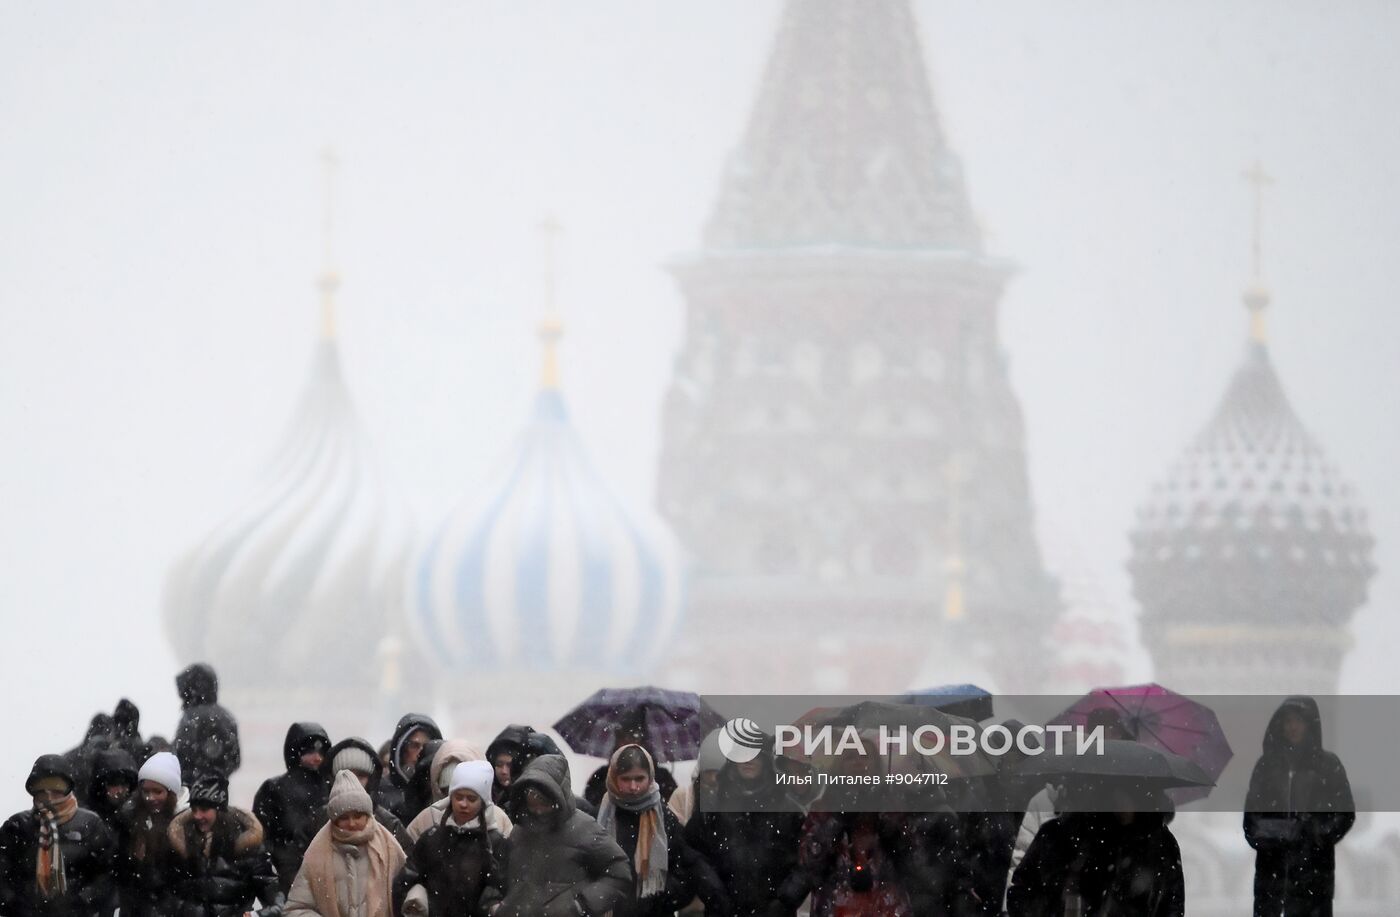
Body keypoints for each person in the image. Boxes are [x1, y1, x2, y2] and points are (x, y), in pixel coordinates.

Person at [1244, 696, 1355, 917]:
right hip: (1271, 875)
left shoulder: (1327, 766)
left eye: (1298, 721)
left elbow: (1344, 813)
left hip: (1313, 874)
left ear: (1309, 725)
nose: (1292, 727)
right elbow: (1251, 822)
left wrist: (1315, 833)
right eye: (1287, 721)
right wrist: (1281, 831)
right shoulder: (1266, 766)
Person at [1007, 783, 1183, 917]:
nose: (1121, 801)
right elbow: (1022, 890)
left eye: (1130, 793)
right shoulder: (1065, 834)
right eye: (1116, 791)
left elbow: (1172, 904)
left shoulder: (1160, 844)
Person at [596, 745, 727, 917]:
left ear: (650, 778)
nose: (633, 786)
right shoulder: (599, 817)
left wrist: (658, 896)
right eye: (626, 779)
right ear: (614, 778)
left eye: (639, 778)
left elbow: (686, 866)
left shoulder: (663, 818)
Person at [684, 735, 806, 917]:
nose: (748, 760)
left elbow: (807, 861)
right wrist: (715, 894)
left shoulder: (788, 809)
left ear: (765, 759)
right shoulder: (712, 806)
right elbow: (692, 854)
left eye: (755, 754)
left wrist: (786, 900)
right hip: (723, 911)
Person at [494, 755, 630, 917]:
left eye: (543, 802)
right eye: (532, 801)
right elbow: (497, 877)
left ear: (557, 796)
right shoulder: (520, 830)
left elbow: (619, 872)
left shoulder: (584, 828)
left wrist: (581, 905)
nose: (537, 810)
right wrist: (495, 906)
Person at [0, 755, 116, 917]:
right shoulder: (17, 825)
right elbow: (3, 872)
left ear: (67, 790)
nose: (49, 797)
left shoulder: (90, 824)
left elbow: (106, 873)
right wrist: (13, 903)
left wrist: (83, 900)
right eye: (41, 791)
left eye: (56, 790)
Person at [285, 772, 405, 917]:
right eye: (344, 817)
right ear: (334, 820)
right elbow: (296, 908)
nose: (352, 823)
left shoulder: (389, 848)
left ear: (368, 815)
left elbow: (406, 897)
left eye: (357, 816)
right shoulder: (317, 854)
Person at [392, 762, 504, 917]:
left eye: (471, 799)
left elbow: (503, 889)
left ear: (483, 802)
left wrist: (489, 905)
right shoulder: (432, 838)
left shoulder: (495, 844)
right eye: (458, 797)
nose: (463, 804)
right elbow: (404, 882)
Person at [167, 776, 281, 917]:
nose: (197, 815)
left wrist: (255, 916)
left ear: (219, 810)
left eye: (203, 809)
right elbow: (166, 894)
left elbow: (278, 903)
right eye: (194, 809)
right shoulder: (183, 845)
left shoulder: (248, 849)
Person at [254, 724, 333, 894]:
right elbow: (262, 836)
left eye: (321, 752)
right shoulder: (274, 788)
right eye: (310, 751)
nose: (317, 758)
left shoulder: (332, 786)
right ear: (295, 751)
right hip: (287, 871)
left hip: (326, 871)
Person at [115, 753, 186, 917]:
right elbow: (120, 871)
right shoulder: (129, 821)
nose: (150, 798)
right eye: (146, 791)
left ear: (170, 792)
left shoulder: (185, 822)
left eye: (157, 791)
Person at [403, 742, 512, 844]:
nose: (462, 804)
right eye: (448, 792)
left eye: (471, 797)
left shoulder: (500, 821)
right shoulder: (425, 820)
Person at [321, 739, 411, 851]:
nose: (354, 782)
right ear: (333, 779)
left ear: (371, 780)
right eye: (346, 775)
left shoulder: (388, 823)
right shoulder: (318, 820)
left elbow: (407, 864)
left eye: (361, 776)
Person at [172, 664, 240, 786]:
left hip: (193, 789)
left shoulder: (192, 717)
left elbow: (182, 753)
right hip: (218, 789)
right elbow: (234, 759)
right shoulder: (226, 717)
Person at [378, 716, 442, 826]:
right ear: (402, 749)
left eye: (426, 746)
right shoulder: (382, 790)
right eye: (414, 745)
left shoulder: (441, 790)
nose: (420, 752)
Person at [667, 730, 723, 826]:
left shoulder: (736, 795)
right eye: (708, 772)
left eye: (718, 773)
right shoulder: (683, 795)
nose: (713, 778)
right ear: (700, 772)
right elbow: (670, 830)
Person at [87, 750, 138, 837]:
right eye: (114, 783)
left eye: (125, 783)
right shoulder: (89, 819)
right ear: (101, 786)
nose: (120, 790)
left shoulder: (135, 816)